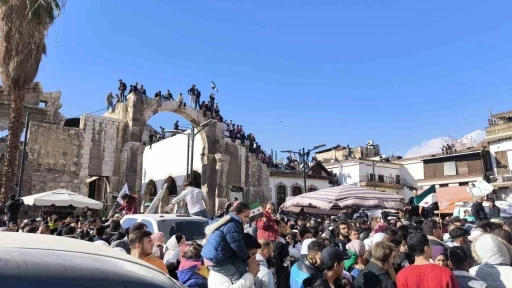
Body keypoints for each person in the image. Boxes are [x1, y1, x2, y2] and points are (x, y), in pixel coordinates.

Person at [201, 202, 252, 283]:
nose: (247, 220)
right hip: (215, 259)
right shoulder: (232, 225)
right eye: (245, 216)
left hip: (218, 256)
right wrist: (249, 259)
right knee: (237, 277)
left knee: (241, 267)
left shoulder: (231, 221)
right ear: (236, 214)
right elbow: (237, 246)